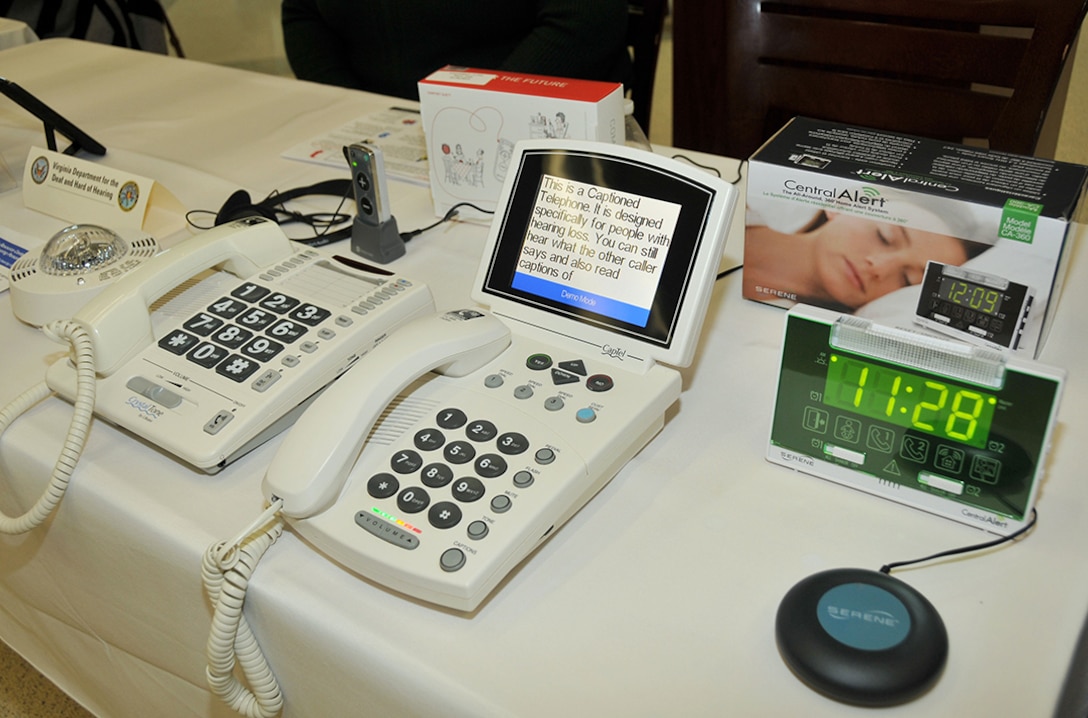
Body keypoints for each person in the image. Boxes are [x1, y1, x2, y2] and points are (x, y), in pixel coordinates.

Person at [280, 0, 631, 100]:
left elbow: (588, 16)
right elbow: (303, 12)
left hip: (514, 116)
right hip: (376, 126)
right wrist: (350, 105)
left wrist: (479, 106)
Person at [743, 208, 990, 313]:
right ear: (845, 203)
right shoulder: (727, 202)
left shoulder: (782, 335)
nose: (880, 268)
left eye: (907, 281)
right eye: (885, 236)